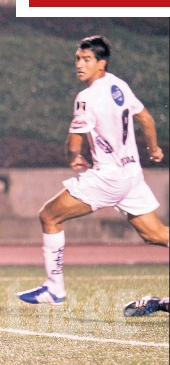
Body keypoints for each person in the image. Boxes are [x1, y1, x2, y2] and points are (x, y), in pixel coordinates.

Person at [17, 35, 169, 305]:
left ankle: (55, 289)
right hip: (132, 175)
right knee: (155, 234)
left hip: (109, 177)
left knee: (49, 216)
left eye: (87, 59)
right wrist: (154, 149)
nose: (79, 64)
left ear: (102, 63)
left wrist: (73, 156)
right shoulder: (118, 85)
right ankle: (53, 288)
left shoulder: (86, 97)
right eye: (78, 58)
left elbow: (75, 143)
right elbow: (145, 118)